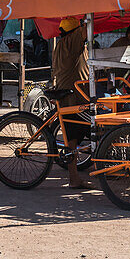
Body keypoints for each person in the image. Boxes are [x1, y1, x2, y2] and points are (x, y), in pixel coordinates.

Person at [50, 16, 91, 189]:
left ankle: (74, 178)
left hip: (70, 96)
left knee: (72, 139)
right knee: (82, 134)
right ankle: (75, 178)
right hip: (75, 98)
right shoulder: (72, 41)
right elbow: (85, 30)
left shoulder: (60, 44)